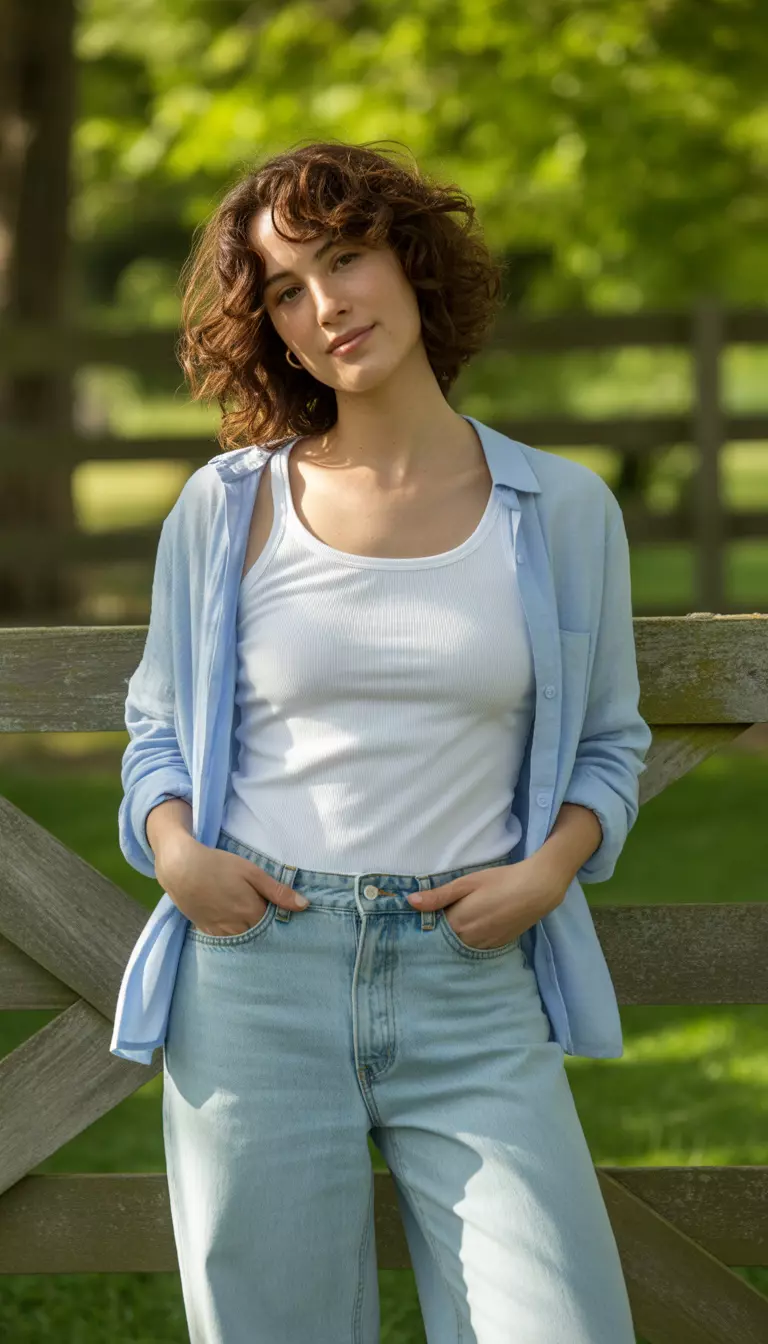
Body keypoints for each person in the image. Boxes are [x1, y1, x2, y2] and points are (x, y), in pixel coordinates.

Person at [114, 140, 652, 1343]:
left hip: (473, 980)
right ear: (275, 334)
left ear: (410, 259)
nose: (326, 307)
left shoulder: (562, 510)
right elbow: (156, 729)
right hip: (255, 970)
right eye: (286, 292)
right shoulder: (226, 508)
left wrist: (546, 873)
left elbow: (611, 747)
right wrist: (176, 855)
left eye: (344, 259)